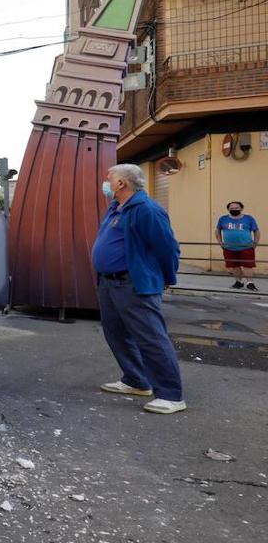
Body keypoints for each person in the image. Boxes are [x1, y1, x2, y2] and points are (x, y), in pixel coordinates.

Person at [90, 163, 186, 414]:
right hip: (110, 283)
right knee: (116, 333)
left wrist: (167, 276)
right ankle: (136, 380)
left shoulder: (147, 209)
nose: (106, 184)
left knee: (151, 338)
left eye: (109, 179)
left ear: (122, 183)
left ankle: (170, 395)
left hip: (133, 283)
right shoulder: (116, 207)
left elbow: (168, 248)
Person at [215, 201, 259, 291]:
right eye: (232, 208)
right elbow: (217, 230)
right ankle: (238, 282)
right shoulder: (223, 219)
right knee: (234, 265)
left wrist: (255, 242)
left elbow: (256, 231)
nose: (234, 210)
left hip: (246, 246)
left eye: (236, 208)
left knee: (248, 265)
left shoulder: (249, 218)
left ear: (241, 208)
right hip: (229, 247)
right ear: (228, 209)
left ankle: (250, 283)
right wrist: (220, 242)